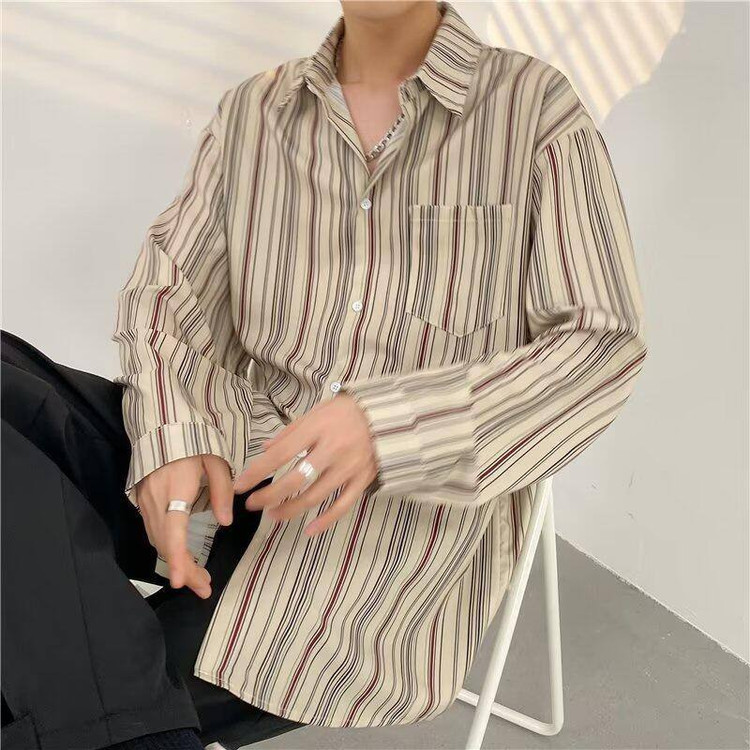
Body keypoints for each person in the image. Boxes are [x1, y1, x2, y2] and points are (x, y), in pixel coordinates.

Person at [1, 1, 649, 748]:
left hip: (368, 559)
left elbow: (601, 348)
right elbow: (168, 295)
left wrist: (388, 428)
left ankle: (112, 716)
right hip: (230, 474)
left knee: (56, 694)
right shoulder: (256, 113)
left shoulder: (535, 115)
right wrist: (175, 435)